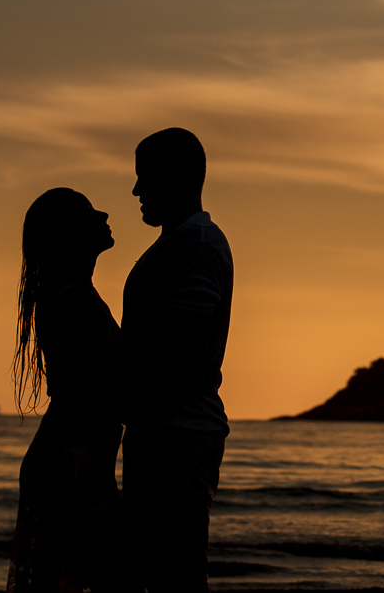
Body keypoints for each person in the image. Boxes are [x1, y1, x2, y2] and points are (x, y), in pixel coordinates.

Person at [121, 127, 233, 592]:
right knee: (155, 568)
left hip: (177, 430)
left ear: (179, 178)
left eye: (144, 177)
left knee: (176, 573)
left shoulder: (196, 244)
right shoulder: (183, 243)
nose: (136, 191)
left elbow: (181, 348)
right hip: (166, 427)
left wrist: (126, 400)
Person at [7, 188, 128, 592]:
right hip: (73, 470)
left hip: (73, 463)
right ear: (67, 233)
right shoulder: (76, 302)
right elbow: (98, 393)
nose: (104, 214)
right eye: (89, 210)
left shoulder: (74, 295)